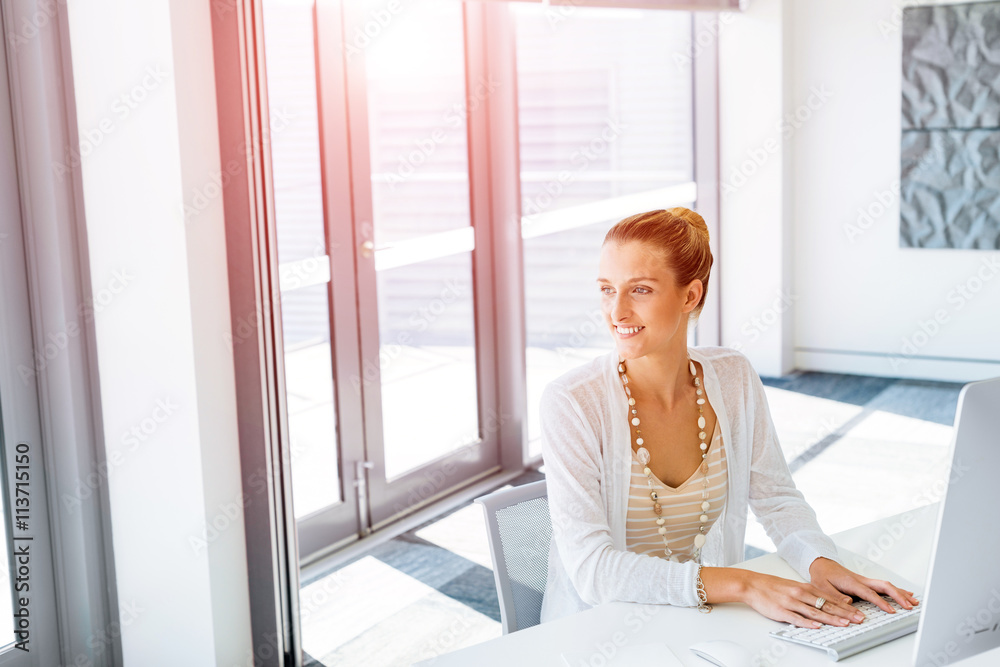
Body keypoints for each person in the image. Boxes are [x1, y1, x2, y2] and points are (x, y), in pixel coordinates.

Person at [538, 207, 918, 627]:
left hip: (706, 621)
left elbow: (775, 497)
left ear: (690, 296)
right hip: (602, 633)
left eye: (640, 290)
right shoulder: (572, 403)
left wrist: (821, 561)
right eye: (607, 289)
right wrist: (744, 585)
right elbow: (593, 572)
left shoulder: (732, 376)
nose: (617, 312)